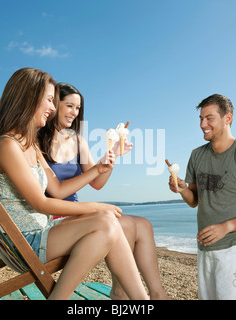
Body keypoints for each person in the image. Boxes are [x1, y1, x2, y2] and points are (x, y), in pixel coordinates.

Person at [0, 67, 149, 300]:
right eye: (49, 100)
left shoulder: (30, 146)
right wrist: (97, 206)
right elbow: (41, 203)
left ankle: (141, 301)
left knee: (110, 222)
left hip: (43, 233)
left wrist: (99, 168)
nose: (52, 108)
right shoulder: (7, 146)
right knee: (107, 223)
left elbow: (57, 190)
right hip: (25, 243)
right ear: (28, 99)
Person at [38, 82, 171, 300]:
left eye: (78, 108)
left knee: (143, 225)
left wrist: (114, 155)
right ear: (54, 104)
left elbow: (97, 183)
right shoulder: (37, 141)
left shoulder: (77, 140)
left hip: (76, 212)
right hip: (56, 213)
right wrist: (98, 169)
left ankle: (157, 295)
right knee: (125, 224)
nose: (74, 112)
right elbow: (57, 191)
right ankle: (122, 293)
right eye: (69, 106)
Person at [168, 94, 236, 300]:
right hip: (205, 248)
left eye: (209, 118)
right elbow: (194, 200)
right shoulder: (197, 155)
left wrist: (227, 227)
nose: (203, 124)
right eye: (200, 118)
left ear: (227, 118)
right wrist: (182, 189)